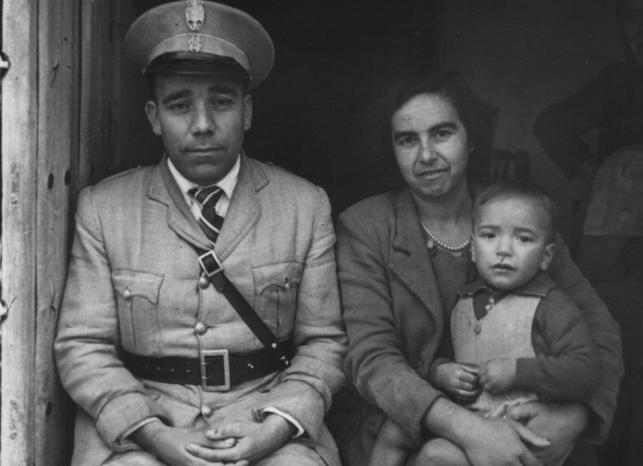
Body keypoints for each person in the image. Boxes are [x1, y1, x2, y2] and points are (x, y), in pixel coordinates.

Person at [54, 2, 347, 465]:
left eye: (222, 102)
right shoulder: (105, 209)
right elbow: (83, 346)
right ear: (154, 117)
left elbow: (324, 345)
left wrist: (272, 430)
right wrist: (154, 436)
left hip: (264, 416)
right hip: (145, 425)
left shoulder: (304, 206)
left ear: (247, 111)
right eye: (179, 105)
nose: (203, 125)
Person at [335, 71, 622, 466]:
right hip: (410, 427)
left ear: (471, 137)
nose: (426, 155)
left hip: (528, 417)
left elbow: (599, 329)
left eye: (442, 133)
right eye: (407, 139)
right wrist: (471, 431)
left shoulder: (518, 216)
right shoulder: (366, 226)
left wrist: (575, 417)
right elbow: (372, 359)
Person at [369, 181, 599, 466]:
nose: (504, 250)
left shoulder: (552, 305)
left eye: (523, 239)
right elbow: (446, 354)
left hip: (522, 425)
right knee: (396, 429)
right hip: (472, 419)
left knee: (437, 455)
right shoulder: (464, 300)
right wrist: (442, 372)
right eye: (489, 236)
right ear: (473, 250)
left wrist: (519, 372)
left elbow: (585, 370)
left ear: (546, 256)